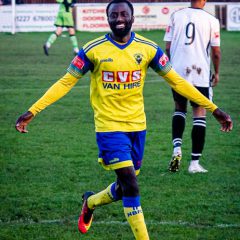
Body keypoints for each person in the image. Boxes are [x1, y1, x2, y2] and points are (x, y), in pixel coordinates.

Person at [15, 0, 232, 239]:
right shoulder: (93, 50)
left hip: (138, 127)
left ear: (132, 18)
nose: (119, 18)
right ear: (107, 19)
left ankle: (91, 203)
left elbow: (178, 81)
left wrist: (213, 108)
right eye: (114, 15)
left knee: (124, 186)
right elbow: (65, 82)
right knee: (131, 184)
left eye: (123, 14)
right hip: (108, 128)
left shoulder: (148, 49)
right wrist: (32, 111)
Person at [164, 0, 222, 173]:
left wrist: (173, 65)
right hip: (200, 72)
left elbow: (167, 46)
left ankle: (177, 150)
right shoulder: (212, 20)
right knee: (199, 112)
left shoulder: (176, 16)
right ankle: (194, 164)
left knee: (179, 108)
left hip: (178, 71)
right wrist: (217, 72)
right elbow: (216, 52)